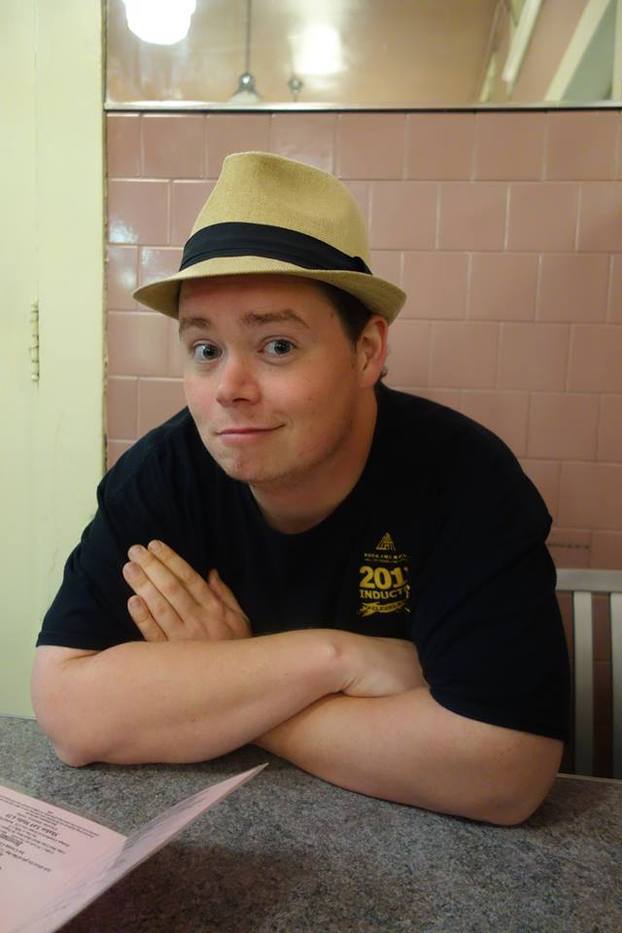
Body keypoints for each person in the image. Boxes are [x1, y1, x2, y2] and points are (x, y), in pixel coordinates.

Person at [32, 151, 569, 825]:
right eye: (205, 350)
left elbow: (505, 770)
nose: (229, 388)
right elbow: (69, 711)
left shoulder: (465, 479)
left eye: (277, 345)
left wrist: (221, 687)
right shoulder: (163, 474)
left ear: (367, 351)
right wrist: (331, 660)